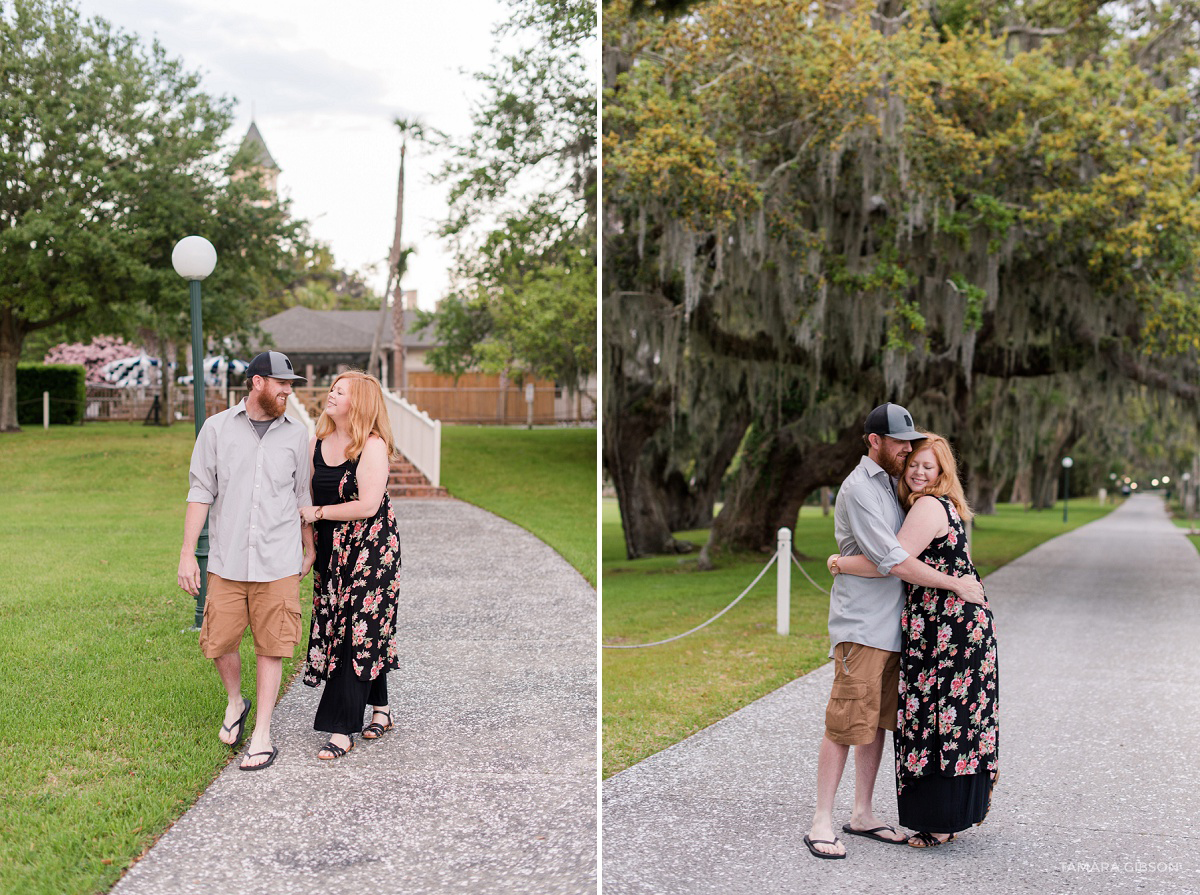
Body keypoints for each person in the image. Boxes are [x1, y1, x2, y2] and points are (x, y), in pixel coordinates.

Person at [804, 403, 985, 860]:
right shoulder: (860, 488)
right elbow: (894, 561)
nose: (908, 451)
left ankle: (862, 813)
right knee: (846, 721)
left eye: (913, 444)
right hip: (863, 626)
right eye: (901, 443)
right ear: (874, 441)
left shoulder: (894, 484)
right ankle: (821, 822)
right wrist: (954, 583)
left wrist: (839, 561)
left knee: (878, 724)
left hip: (898, 628)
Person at [178, 350, 314, 771]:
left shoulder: (297, 435)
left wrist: (310, 547)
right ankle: (236, 701)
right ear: (257, 382)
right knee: (219, 641)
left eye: (290, 385)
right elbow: (201, 491)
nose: (288, 392)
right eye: (282, 384)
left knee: (272, 646)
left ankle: (262, 733)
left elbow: (302, 497)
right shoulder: (216, 429)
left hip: (279, 560)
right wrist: (187, 553)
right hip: (228, 560)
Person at [298, 371, 402, 760]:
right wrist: (309, 549)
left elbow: (367, 505)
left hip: (371, 549)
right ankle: (382, 710)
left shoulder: (372, 446)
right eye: (332, 389)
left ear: (358, 403)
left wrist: (319, 512)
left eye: (340, 391)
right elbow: (303, 501)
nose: (331, 394)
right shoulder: (316, 444)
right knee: (350, 625)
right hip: (330, 550)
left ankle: (341, 728)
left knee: (355, 630)